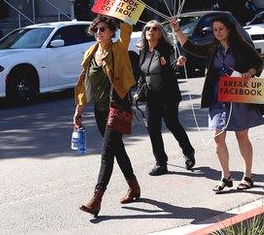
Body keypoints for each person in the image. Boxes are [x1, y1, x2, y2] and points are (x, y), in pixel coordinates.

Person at [169, 15, 264, 192]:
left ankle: (248, 176)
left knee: (241, 136)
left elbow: (259, 63)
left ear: (229, 29)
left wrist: (250, 72)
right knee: (218, 138)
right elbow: (190, 47)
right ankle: (226, 176)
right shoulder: (213, 47)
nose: (218, 32)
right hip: (217, 98)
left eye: (221, 28)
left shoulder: (241, 45)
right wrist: (177, 30)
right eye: (215, 29)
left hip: (238, 97)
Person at [74, 16, 140, 217]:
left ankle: (96, 198)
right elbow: (85, 83)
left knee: (107, 153)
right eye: (96, 29)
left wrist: (122, 14)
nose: (98, 32)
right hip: (100, 110)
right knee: (117, 150)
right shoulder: (91, 52)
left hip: (117, 107)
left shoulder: (118, 49)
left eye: (103, 29)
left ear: (112, 31)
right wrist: (79, 108)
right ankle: (134, 186)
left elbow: (127, 29)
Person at [136, 20, 195, 175]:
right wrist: (138, 91)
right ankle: (161, 163)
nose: (150, 31)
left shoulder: (167, 49)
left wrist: (180, 62)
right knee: (152, 128)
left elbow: (173, 64)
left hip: (168, 95)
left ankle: (188, 151)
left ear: (160, 33)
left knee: (172, 124)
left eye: (155, 29)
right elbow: (143, 74)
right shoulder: (143, 51)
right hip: (151, 96)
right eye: (148, 28)